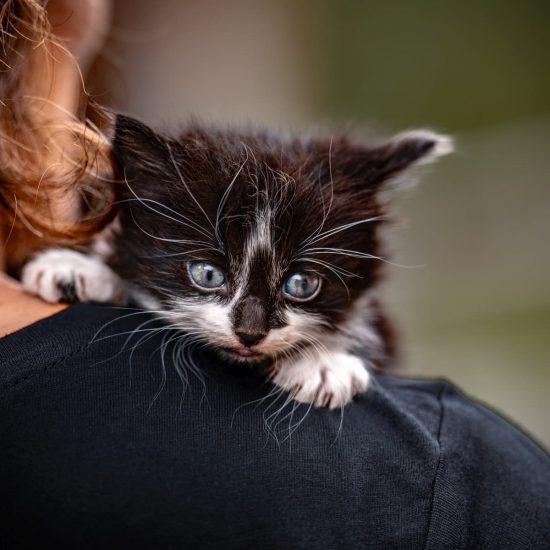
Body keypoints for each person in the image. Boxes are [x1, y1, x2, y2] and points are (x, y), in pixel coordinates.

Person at [1, 2, 549, 548]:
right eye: (208, 273)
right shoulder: (440, 472)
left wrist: (333, 349)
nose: (251, 326)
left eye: (300, 285)